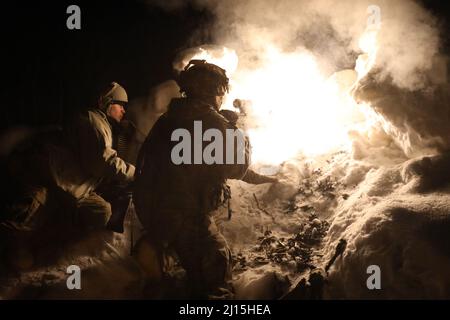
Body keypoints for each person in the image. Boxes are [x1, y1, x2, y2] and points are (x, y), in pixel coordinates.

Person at [134, 60, 275, 299]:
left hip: (156, 215)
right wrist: (237, 131)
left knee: (179, 277)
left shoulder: (168, 120)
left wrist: (264, 178)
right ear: (212, 91)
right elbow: (235, 169)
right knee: (216, 276)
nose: (222, 98)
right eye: (220, 92)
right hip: (188, 218)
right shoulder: (213, 123)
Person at [0, 82, 135, 269]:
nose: (123, 111)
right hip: (55, 180)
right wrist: (135, 172)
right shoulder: (92, 120)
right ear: (107, 102)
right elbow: (101, 162)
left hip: (76, 187)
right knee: (27, 216)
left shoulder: (102, 124)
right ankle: (14, 251)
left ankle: (57, 245)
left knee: (100, 211)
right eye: (121, 105)